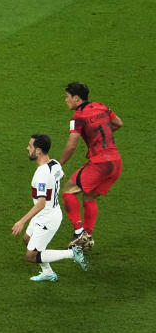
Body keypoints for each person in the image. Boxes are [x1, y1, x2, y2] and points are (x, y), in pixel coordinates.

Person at [12, 133, 88, 281]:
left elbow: (41, 203)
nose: (27, 148)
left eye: (30, 146)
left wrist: (21, 221)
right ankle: (48, 273)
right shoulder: (54, 163)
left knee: (31, 256)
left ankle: (73, 253)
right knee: (27, 240)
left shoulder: (41, 174)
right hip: (46, 213)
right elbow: (61, 176)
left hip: (47, 217)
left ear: (38, 150)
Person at [58, 82, 124, 250]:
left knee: (67, 191)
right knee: (88, 197)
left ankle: (79, 232)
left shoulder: (77, 118)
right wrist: (100, 136)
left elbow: (72, 145)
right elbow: (118, 123)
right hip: (116, 162)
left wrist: (60, 164)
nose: (66, 100)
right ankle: (87, 237)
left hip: (100, 163)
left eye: (67, 97)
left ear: (77, 98)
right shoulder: (102, 107)